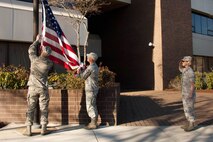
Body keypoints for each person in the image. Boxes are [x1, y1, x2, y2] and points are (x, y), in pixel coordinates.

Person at [24, 35, 53, 136]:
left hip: (32, 87)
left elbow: (31, 49)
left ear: (41, 51)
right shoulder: (49, 63)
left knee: (30, 108)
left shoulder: (34, 60)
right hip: (43, 88)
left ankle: (28, 130)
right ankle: (43, 129)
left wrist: (37, 41)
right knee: (44, 109)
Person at [77, 52, 99, 129]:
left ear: (91, 59)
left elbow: (82, 77)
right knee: (93, 105)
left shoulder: (91, 68)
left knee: (90, 105)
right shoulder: (94, 66)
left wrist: (79, 71)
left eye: (88, 57)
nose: (87, 58)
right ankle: (94, 122)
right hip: (94, 88)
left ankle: (93, 123)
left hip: (90, 89)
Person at [179, 56, 196, 132]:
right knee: (186, 109)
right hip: (184, 93)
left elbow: (192, 84)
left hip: (189, 94)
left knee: (190, 109)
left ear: (188, 62)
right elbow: (180, 68)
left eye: (184, 61)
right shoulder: (185, 70)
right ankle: (188, 123)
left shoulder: (190, 72)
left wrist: (190, 94)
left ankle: (192, 124)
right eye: (182, 61)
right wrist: (180, 62)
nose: (182, 62)